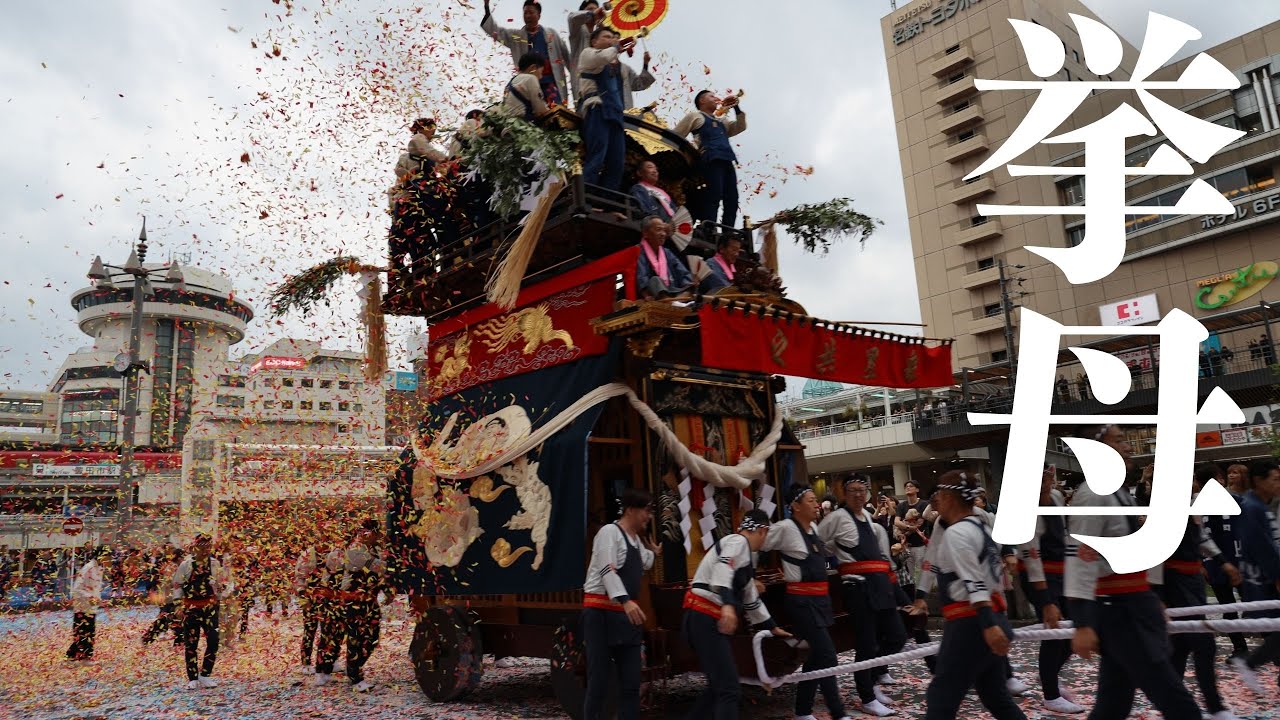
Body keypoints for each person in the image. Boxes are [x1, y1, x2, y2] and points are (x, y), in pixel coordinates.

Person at [1065, 425, 1202, 720]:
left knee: (1114, 702)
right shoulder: (1092, 496)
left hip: (1133, 602)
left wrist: (1150, 595)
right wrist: (1083, 623)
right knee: (1172, 695)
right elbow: (1081, 559)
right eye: (1119, 440)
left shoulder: (1118, 493)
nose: (1128, 446)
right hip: (1120, 611)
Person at [911, 472, 1025, 720]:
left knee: (941, 697)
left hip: (971, 623)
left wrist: (987, 624)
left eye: (940, 495)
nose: (936, 501)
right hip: (992, 619)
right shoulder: (980, 525)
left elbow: (974, 582)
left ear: (950, 497)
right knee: (996, 697)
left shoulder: (958, 532)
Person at [683, 509, 790, 720]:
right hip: (705, 616)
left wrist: (771, 625)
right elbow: (723, 569)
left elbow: (750, 596)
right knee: (729, 688)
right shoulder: (737, 541)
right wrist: (728, 606)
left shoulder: (744, 555)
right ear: (761, 530)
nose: (765, 540)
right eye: (766, 534)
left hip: (702, 619)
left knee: (719, 687)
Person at [763, 484, 851, 720]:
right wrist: (749, 576)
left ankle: (803, 711)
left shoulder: (813, 527)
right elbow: (754, 543)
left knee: (815, 657)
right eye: (811, 500)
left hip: (820, 599)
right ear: (795, 505)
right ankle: (838, 713)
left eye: (816, 500)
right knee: (828, 656)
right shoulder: (784, 528)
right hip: (801, 601)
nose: (816, 504)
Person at [819, 474, 904, 716]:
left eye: (862, 489)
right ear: (844, 493)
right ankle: (867, 696)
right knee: (866, 643)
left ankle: (874, 677)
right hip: (856, 586)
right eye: (853, 490)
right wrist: (832, 565)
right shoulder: (835, 518)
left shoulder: (868, 516)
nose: (858, 494)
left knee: (896, 635)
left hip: (880, 583)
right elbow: (817, 543)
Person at [1160, 466, 1241, 720]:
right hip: (1175, 580)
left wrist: (1222, 561)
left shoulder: (1192, 504)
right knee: (1203, 644)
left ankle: (1176, 705)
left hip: (1192, 578)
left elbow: (1201, 537)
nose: (1195, 482)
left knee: (1181, 646)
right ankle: (1213, 707)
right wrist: (1157, 595)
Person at [581, 487, 656, 720]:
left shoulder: (635, 541)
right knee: (599, 680)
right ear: (631, 510)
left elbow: (646, 562)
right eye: (647, 510)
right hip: (601, 614)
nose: (649, 516)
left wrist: (654, 552)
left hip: (627, 616)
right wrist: (625, 600)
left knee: (632, 683)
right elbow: (606, 569)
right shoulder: (609, 533)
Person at [1014, 467, 1083, 713]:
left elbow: (1067, 535)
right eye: (1039, 478)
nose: (1045, 483)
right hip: (1037, 574)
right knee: (1054, 633)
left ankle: (1048, 677)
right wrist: (1045, 601)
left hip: (1063, 570)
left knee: (1074, 632)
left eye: (1047, 477)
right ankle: (1051, 694)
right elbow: (1031, 558)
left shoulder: (1055, 498)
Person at [1230, 459, 1280, 694]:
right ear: (1259, 481)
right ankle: (1249, 663)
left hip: (1266, 578)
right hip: (1265, 580)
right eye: (1275, 479)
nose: (1278, 484)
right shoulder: (1252, 507)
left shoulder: (1259, 504)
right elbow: (1263, 549)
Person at [674, 91, 746, 228]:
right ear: (702, 101)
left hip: (727, 160)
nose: (716, 98)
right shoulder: (695, 116)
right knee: (714, 195)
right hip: (710, 159)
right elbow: (676, 135)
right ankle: (709, 228)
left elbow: (740, 127)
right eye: (711, 96)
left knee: (732, 199)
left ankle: (727, 231)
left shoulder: (721, 121)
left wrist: (735, 107)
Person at [1201, 463, 1250, 661]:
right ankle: (1240, 648)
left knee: (1252, 604)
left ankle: (1269, 645)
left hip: (1237, 561)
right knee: (1228, 607)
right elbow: (1199, 538)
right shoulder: (1198, 507)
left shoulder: (1239, 501)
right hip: (1217, 564)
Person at [481, 0, 571, 107]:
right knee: (533, 116)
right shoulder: (517, 36)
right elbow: (496, 31)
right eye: (525, 13)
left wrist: (578, 76)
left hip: (552, 83)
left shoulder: (552, 34)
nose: (528, 16)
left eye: (531, 12)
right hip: (529, 83)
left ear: (539, 15)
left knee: (556, 112)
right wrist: (486, 7)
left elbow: (568, 58)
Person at [577, 26, 633, 191]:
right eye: (606, 37)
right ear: (594, 41)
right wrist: (616, 47)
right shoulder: (587, 53)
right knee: (597, 156)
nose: (611, 40)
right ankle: (586, 197)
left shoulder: (613, 63)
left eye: (612, 37)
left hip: (615, 114)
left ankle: (606, 202)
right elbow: (605, 56)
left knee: (617, 162)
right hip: (597, 109)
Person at [340, 519, 388, 692]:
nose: (374, 536)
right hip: (354, 600)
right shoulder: (354, 550)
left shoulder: (375, 550)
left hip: (370, 600)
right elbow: (375, 567)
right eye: (364, 531)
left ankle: (354, 668)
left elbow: (379, 576)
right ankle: (355, 677)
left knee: (373, 638)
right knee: (356, 639)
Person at [173, 535, 226, 690]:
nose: (205, 551)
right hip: (191, 608)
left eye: (207, 547)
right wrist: (178, 606)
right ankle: (193, 677)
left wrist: (220, 590)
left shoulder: (215, 564)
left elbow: (220, 585)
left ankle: (205, 675)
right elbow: (177, 585)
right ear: (195, 548)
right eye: (202, 547)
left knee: (214, 640)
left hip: (210, 608)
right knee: (191, 643)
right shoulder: (186, 565)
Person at [312, 534, 349, 686]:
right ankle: (320, 671)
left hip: (343, 600)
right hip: (331, 598)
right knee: (328, 634)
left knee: (339, 635)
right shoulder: (336, 555)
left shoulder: (352, 554)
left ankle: (330, 665)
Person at [67, 546, 108, 661]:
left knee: (89, 631)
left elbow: (95, 587)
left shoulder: (100, 568)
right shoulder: (88, 568)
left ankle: (74, 655)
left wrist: (98, 599)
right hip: (82, 606)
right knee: (83, 631)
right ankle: (82, 657)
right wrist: (90, 597)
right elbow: (77, 588)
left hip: (91, 606)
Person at [636, 216, 692, 299]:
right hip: (655, 293)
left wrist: (688, 284)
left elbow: (683, 272)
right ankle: (672, 301)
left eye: (664, 230)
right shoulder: (638, 251)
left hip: (672, 291)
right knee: (655, 280)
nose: (663, 234)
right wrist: (646, 294)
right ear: (645, 233)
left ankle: (677, 300)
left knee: (691, 284)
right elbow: (642, 276)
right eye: (658, 230)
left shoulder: (667, 252)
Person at [295, 542, 330, 675]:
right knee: (310, 629)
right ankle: (306, 662)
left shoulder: (332, 553)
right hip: (311, 598)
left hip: (327, 597)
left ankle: (327, 660)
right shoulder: (308, 555)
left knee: (328, 631)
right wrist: (303, 596)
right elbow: (299, 578)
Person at [143, 546, 184, 646]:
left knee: (171, 621)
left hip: (172, 599)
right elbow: (170, 585)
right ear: (179, 558)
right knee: (166, 621)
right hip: (171, 599)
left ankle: (179, 642)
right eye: (183, 557)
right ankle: (147, 639)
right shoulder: (173, 568)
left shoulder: (176, 567)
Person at [503, 53, 552, 121]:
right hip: (521, 127)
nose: (541, 77)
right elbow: (541, 110)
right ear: (533, 68)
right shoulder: (530, 78)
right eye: (541, 72)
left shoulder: (511, 81)